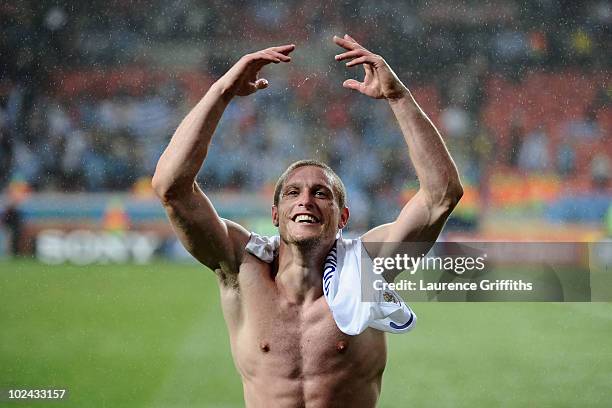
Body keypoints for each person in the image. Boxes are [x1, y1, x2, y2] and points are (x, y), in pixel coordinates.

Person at [152, 34, 462, 407]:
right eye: (293, 192)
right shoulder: (240, 266)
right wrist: (221, 92)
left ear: (343, 216)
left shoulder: (368, 267)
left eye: (321, 193)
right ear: (275, 214)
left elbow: (441, 195)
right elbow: (172, 188)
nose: (306, 201)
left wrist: (398, 98)